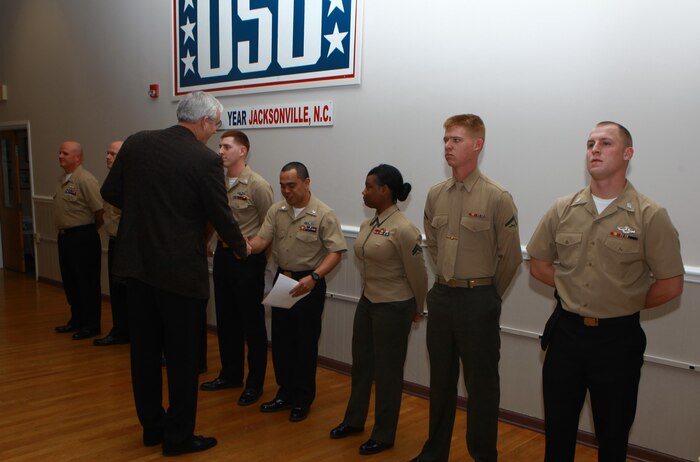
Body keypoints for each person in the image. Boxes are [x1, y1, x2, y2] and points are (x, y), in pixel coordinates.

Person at [101, 91, 248, 457]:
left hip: (136, 268)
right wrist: (241, 246)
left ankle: (152, 428)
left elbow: (110, 191)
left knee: (145, 354)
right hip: (181, 273)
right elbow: (219, 212)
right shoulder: (204, 160)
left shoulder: (137, 143)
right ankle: (178, 438)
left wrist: (146, 213)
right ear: (203, 121)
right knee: (182, 361)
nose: (215, 134)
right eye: (215, 126)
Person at [527, 121, 684, 462]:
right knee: (558, 432)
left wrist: (622, 297)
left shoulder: (649, 215)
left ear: (627, 154)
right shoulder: (563, 208)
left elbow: (671, 285)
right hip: (566, 336)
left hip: (617, 341)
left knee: (612, 438)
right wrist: (573, 288)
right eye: (590, 143)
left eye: (605, 143)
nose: (594, 149)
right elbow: (538, 264)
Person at [412, 114, 522, 462]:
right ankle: (435, 452)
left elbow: (510, 257)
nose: (448, 145)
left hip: (479, 300)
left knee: (482, 387)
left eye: (456, 139)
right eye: (446, 139)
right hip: (443, 297)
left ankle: (483, 455)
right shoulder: (435, 195)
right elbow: (432, 244)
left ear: (478, 144)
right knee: (441, 383)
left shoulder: (497, 197)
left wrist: (487, 295)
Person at [329, 164, 427, 456]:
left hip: (394, 306)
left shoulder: (404, 229)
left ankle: (384, 434)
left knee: (387, 373)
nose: (364, 191)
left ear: (385, 191)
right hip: (368, 302)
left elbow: (419, 275)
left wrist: (418, 309)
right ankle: (354, 421)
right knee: (361, 366)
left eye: (369, 186)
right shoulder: (367, 225)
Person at [248, 161, 346, 423]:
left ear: (306, 182)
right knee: (281, 341)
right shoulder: (277, 210)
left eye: (291, 185)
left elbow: (336, 251)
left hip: (308, 283)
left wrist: (315, 277)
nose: (286, 191)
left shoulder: (323, 213)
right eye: (282, 185)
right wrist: (244, 246)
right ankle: (285, 392)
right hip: (283, 280)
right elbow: (261, 240)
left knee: (304, 343)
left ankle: (303, 398)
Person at [200, 130, 273, 409]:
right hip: (223, 256)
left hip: (248, 261)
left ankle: (255, 383)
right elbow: (212, 216)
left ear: (243, 151)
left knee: (251, 324)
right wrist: (208, 239)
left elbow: (270, 228)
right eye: (219, 146)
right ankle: (230, 375)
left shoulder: (257, 185)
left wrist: (262, 264)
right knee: (226, 319)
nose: (221, 151)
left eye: (227, 146)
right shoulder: (216, 181)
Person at [53, 141, 104, 341]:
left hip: (83, 237)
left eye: (65, 153)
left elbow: (99, 211)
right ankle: (77, 319)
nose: (60, 156)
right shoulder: (62, 180)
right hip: (65, 237)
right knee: (71, 280)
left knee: (87, 282)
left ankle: (91, 325)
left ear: (77, 157)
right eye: (59, 152)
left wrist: (88, 231)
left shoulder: (85, 179)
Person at [94, 140, 129, 346]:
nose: (108, 157)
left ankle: (127, 331)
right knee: (116, 290)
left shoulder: (130, 181)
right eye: (107, 153)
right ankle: (120, 330)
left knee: (127, 292)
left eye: (113, 154)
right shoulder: (113, 180)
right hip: (114, 241)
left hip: (127, 244)